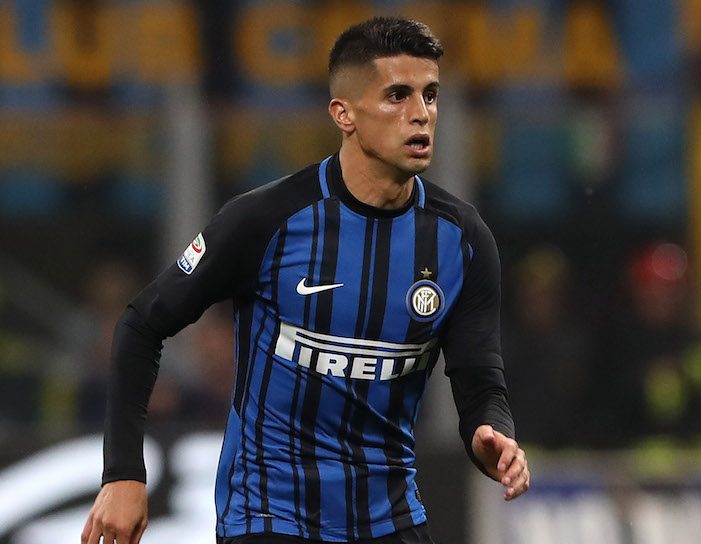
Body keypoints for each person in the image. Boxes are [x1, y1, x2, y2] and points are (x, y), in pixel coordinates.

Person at [82, 16, 529, 544]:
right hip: (270, 517)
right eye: (397, 95)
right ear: (343, 113)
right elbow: (141, 324)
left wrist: (491, 434)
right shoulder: (266, 220)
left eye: (430, 95)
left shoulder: (462, 240)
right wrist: (123, 474)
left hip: (389, 517)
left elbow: (479, 380)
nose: (421, 114)